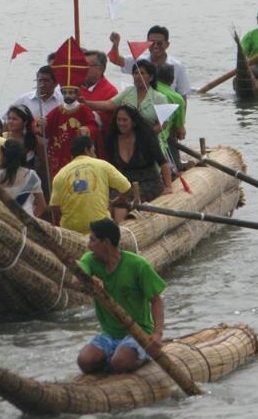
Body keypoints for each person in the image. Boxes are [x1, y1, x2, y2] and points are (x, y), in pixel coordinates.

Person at [76, 218, 166, 374]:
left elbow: (156, 300)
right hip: (110, 334)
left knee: (120, 362)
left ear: (106, 243)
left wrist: (157, 334)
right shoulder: (90, 260)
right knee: (85, 361)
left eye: (93, 240)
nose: (89, 245)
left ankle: (143, 357)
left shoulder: (137, 265)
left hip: (138, 333)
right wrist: (89, 280)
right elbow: (77, 273)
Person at [49, 135, 131, 234]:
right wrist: (114, 202)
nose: (95, 155)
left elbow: (54, 207)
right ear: (86, 150)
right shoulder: (102, 165)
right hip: (101, 227)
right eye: (93, 150)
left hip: (71, 231)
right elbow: (126, 187)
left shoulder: (60, 174)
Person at [82, 59, 169, 136]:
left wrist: (148, 134)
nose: (138, 77)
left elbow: (164, 123)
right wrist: (86, 103)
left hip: (149, 140)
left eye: (142, 73)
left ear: (151, 77)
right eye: (135, 73)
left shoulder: (160, 98)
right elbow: (109, 104)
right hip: (127, 139)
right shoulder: (128, 91)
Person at [106, 105, 172, 202]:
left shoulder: (146, 137)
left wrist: (168, 186)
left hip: (148, 182)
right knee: (111, 200)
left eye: (125, 120)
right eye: (118, 120)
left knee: (123, 204)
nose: (121, 123)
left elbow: (163, 163)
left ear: (133, 122)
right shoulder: (112, 139)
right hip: (125, 184)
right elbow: (112, 168)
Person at [108, 26, 191, 99]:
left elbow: (182, 95)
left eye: (159, 43)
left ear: (167, 44)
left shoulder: (177, 66)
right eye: (152, 43)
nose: (155, 46)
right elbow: (115, 60)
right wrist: (115, 44)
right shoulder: (139, 61)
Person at [44, 85, 99, 177]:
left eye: (70, 93)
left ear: (77, 93)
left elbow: (93, 126)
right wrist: (40, 123)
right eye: (65, 93)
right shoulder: (57, 111)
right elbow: (46, 126)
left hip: (79, 152)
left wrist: (87, 129)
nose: (67, 96)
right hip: (60, 154)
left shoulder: (84, 110)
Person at [0, 139, 47, 218]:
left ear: (3, 155)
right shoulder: (31, 175)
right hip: (26, 223)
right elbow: (42, 206)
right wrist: (32, 219)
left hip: (4, 222)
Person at [80, 49, 119, 156]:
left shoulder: (110, 92)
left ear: (100, 68)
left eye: (87, 65)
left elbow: (106, 121)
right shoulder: (75, 87)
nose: (83, 68)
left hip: (99, 146)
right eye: (82, 65)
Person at [155, 63, 186, 170]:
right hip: (160, 141)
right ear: (172, 80)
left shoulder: (146, 90)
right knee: (173, 136)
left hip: (144, 136)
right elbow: (180, 132)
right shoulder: (177, 98)